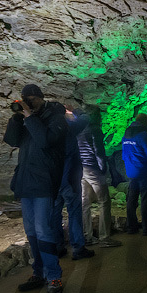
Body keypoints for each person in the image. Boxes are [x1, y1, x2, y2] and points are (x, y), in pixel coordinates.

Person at [4, 84, 68, 293]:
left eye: (31, 99)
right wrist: (16, 118)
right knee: (31, 232)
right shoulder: (26, 119)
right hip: (25, 182)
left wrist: (30, 116)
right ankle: (38, 272)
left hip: (43, 182)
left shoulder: (55, 117)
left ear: (41, 98)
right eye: (25, 99)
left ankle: (54, 276)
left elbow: (45, 141)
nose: (28, 103)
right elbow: (12, 140)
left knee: (43, 230)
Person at [51, 102, 92, 259]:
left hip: (54, 181)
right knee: (74, 213)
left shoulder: (46, 130)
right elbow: (85, 118)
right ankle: (78, 248)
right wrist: (75, 110)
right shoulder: (67, 127)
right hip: (69, 178)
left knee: (55, 214)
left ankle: (58, 246)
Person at [122, 113, 147, 236]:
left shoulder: (126, 135)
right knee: (146, 200)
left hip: (132, 171)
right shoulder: (144, 136)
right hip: (145, 172)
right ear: (146, 122)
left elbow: (124, 154)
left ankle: (131, 226)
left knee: (132, 199)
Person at [78, 106, 112, 248]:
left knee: (85, 203)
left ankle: (87, 236)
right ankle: (105, 237)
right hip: (93, 169)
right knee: (104, 201)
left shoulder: (79, 129)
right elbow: (98, 152)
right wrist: (103, 168)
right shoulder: (95, 130)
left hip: (82, 169)